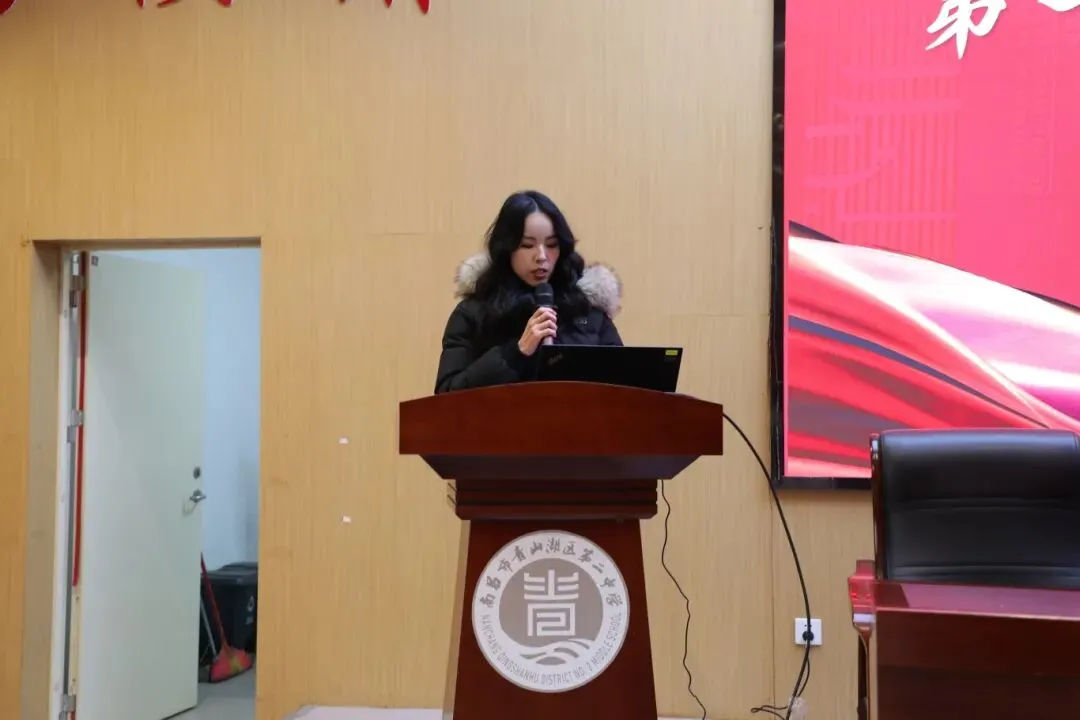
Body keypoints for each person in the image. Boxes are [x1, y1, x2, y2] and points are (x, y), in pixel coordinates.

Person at [434, 190, 623, 393]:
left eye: (551, 245)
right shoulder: (472, 313)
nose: (541, 256)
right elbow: (447, 394)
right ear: (507, 248)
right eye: (527, 245)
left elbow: (627, 387)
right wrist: (515, 352)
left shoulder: (587, 309)